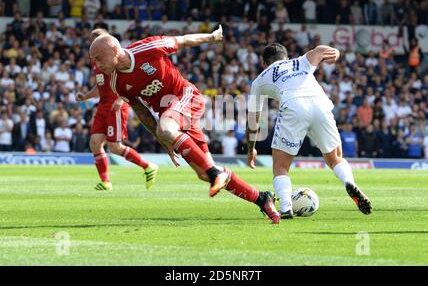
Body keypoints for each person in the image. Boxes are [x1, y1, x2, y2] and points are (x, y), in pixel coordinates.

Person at [89, 26, 280, 224]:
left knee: (176, 137)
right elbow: (141, 110)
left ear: (114, 50)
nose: (96, 65)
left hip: (185, 96)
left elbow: (183, 40)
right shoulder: (115, 82)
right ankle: (262, 198)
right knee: (203, 173)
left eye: (98, 58)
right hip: (171, 115)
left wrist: (212, 37)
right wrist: (164, 140)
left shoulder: (148, 48)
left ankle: (215, 174)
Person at [246, 43, 372, 220]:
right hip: (319, 103)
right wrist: (335, 52)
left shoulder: (260, 79)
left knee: (281, 166)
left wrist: (251, 147)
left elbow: (253, 119)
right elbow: (320, 50)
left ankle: (285, 208)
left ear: (264, 63)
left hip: (293, 106)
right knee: (335, 157)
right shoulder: (299, 62)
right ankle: (349, 182)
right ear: (287, 57)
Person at [76, 28, 158, 191]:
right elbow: (101, 86)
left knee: (115, 147)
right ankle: (106, 182)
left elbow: (128, 81)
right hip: (103, 106)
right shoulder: (97, 62)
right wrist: (86, 96)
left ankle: (148, 166)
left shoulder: (114, 59)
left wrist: (121, 99)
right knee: (94, 143)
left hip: (116, 106)